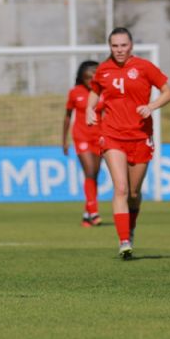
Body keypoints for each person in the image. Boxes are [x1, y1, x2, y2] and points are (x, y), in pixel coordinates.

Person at [86, 27, 170, 260]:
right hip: (112, 134)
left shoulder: (145, 67)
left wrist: (151, 106)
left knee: (134, 192)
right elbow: (94, 91)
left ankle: (130, 229)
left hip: (140, 136)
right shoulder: (103, 69)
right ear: (110, 47)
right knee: (121, 188)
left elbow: (168, 92)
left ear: (131, 45)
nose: (119, 50)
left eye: (123, 45)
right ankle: (124, 241)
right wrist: (89, 108)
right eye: (115, 46)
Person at [62, 60, 103, 227]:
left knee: (95, 175)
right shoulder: (75, 93)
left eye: (93, 78)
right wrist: (64, 140)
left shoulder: (103, 92)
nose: (90, 81)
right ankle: (94, 211)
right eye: (87, 78)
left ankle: (87, 216)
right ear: (81, 77)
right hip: (81, 136)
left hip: (99, 137)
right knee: (90, 171)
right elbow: (67, 116)